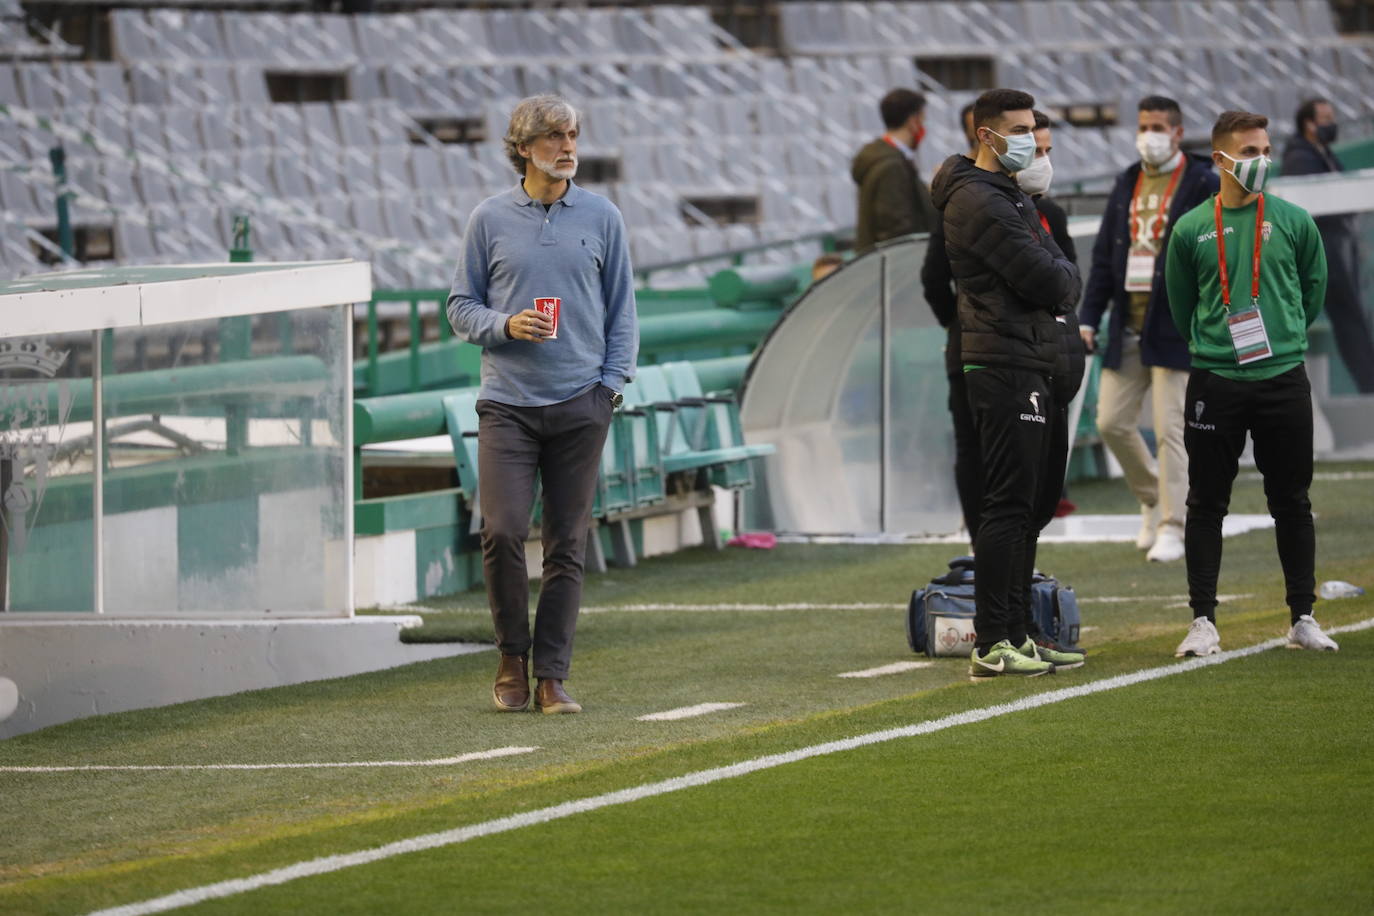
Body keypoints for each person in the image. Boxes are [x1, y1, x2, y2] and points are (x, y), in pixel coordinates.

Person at [447, 95, 639, 713]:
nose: (567, 145)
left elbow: (623, 311)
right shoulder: (488, 219)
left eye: (573, 133)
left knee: (566, 545)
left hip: (583, 403)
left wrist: (609, 389)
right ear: (524, 148)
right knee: (502, 531)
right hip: (507, 405)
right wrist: (505, 325)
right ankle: (511, 658)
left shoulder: (603, 216)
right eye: (554, 136)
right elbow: (459, 306)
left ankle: (552, 677)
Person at [1164, 109, 1339, 657]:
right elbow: (1181, 305)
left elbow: (1312, 292)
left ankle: (1303, 617)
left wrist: (1282, 337)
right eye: (1248, 152)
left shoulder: (1293, 220)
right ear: (1219, 159)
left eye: (1265, 150)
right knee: (1205, 502)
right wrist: (1217, 343)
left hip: (1282, 377)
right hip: (1215, 379)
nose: (1261, 161)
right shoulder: (1191, 228)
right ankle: (1202, 621)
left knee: (1291, 501)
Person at [931, 88, 1082, 680]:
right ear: (985, 134)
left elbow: (1060, 271)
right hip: (1002, 362)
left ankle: (1021, 631)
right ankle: (993, 639)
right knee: (1008, 504)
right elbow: (1052, 279)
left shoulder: (1007, 195)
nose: (1028, 141)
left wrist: (1058, 274)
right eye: (1019, 130)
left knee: (1033, 506)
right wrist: (1058, 275)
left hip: (1028, 358)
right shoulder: (977, 200)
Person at [1080, 96, 1219, 564]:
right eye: (1143, 125)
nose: (1149, 135)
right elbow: (1103, 258)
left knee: (1170, 430)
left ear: (1178, 132)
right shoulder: (1126, 181)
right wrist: (1087, 316)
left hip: (1176, 326)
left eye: (1158, 126)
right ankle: (1152, 497)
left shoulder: (1202, 181)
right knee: (1111, 423)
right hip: (1127, 322)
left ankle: (1172, 526)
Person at [1281, 97, 1374, 393]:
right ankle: (1368, 385)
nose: (1331, 123)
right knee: (1348, 320)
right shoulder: (1300, 158)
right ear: (1308, 124)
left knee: (1355, 319)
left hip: (1341, 253)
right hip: (1323, 258)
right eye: (1325, 118)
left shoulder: (1326, 154)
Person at [851, 88, 936, 254]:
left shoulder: (888, 159)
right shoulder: (892, 166)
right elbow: (896, 231)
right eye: (922, 119)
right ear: (913, 121)